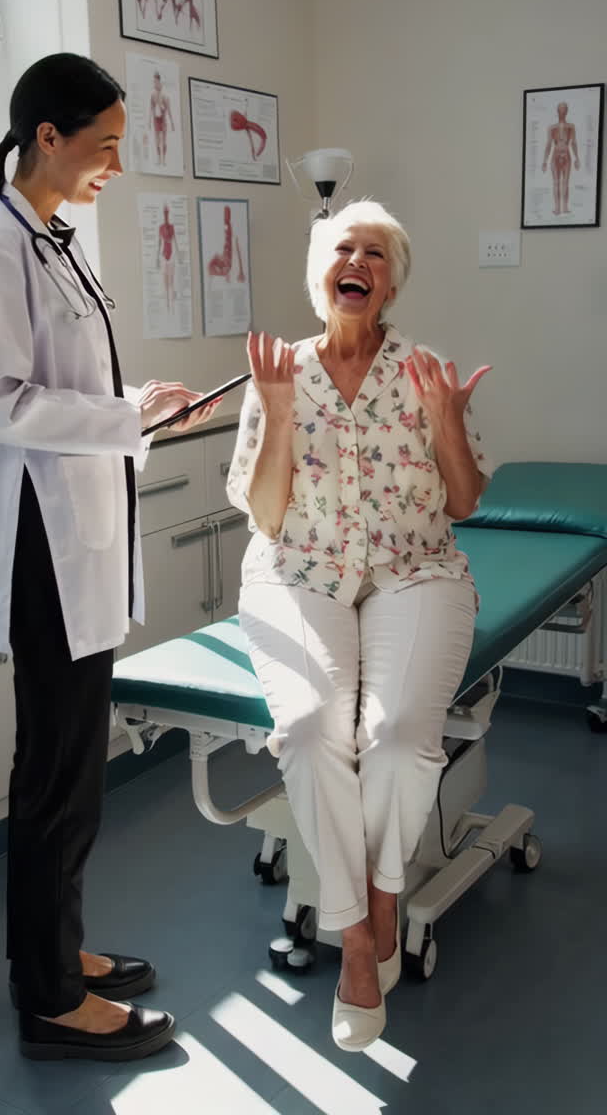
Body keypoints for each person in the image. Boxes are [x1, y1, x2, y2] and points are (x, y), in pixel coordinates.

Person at [0, 53, 219, 1063]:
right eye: (103, 145)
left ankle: (51, 954)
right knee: (57, 774)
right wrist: (120, 413)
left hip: (72, 542)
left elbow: (67, 385)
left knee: (70, 770)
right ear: (46, 138)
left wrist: (139, 403)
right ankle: (53, 1000)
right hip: (40, 553)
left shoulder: (53, 243)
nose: (114, 164)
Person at [227, 200, 493, 1051]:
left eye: (375, 253)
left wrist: (448, 425)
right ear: (323, 277)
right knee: (309, 732)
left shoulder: (424, 371)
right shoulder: (280, 373)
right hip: (298, 569)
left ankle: (382, 899)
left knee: (400, 733)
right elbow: (268, 517)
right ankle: (353, 938)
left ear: (389, 282)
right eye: (344, 248)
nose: (359, 261)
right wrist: (275, 415)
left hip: (414, 568)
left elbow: (463, 501)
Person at [542, 101, 580, 216]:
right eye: (561, 109)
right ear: (557, 111)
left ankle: (565, 207)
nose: (562, 111)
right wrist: (544, 160)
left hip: (567, 154)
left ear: (567, 111)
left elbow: (573, 142)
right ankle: (557, 208)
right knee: (556, 183)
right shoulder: (552, 127)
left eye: (564, 109)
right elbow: (548, 144)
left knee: (565, 183)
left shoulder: (571, 126)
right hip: (555, 154)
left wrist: (577, 158)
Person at [149, 71, 175, 167]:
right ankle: (158, 159)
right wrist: (149, 121)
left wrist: (172, 123)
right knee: (157, 140)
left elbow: (168, 110)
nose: (154, 83)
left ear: (159, 81)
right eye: (153, 82)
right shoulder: (153, 95)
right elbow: (151, 108)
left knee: (163, 140)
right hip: (156, 119)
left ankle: (163, 160)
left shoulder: (165, 95)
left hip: (163, 119)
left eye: (156, 81)